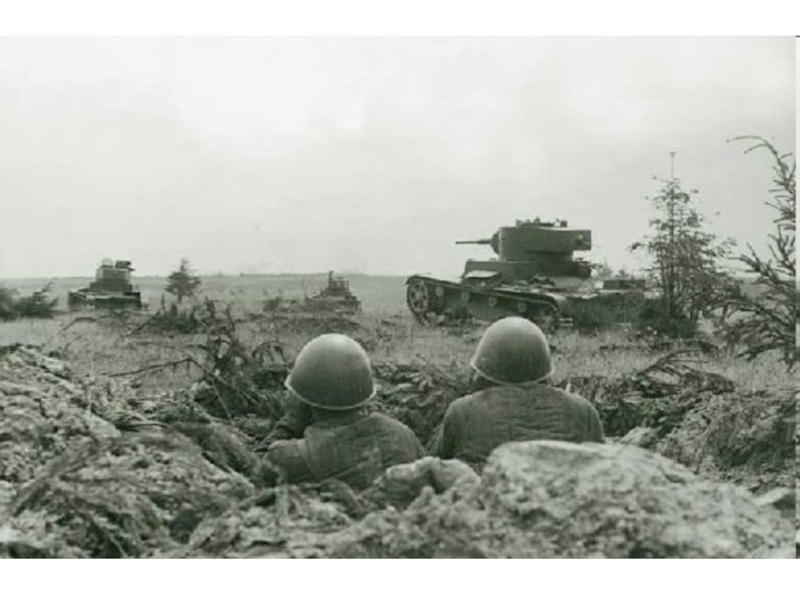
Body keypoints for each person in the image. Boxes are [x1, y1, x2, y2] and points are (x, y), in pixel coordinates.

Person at [433, 316, 604, 472]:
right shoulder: (583, 412)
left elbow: (437, 465)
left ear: (482, 372)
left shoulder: (462, 412)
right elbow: (606, 469)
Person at [266, 333, 425, 489]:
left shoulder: (290, 456)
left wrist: (291, 422)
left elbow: (256, 479)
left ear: (305, 401)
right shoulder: (403, 436)